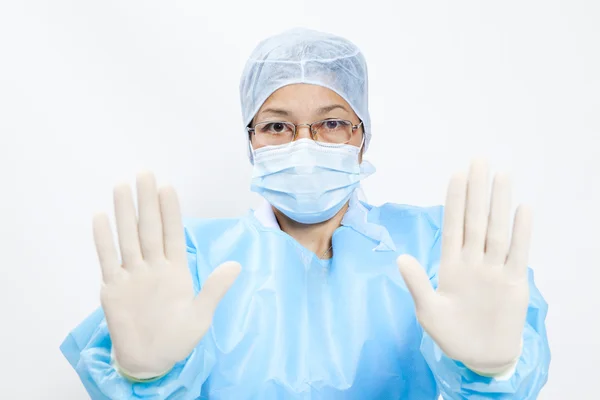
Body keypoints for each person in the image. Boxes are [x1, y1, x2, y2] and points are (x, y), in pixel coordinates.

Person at [60, 28, 550, 399]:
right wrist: (145, 378)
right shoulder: (190, 258)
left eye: (332, 123)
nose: (304, 145)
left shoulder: (436, 247)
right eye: (277, 126)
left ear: (362, 137)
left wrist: (494, 372)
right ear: (251, 141)